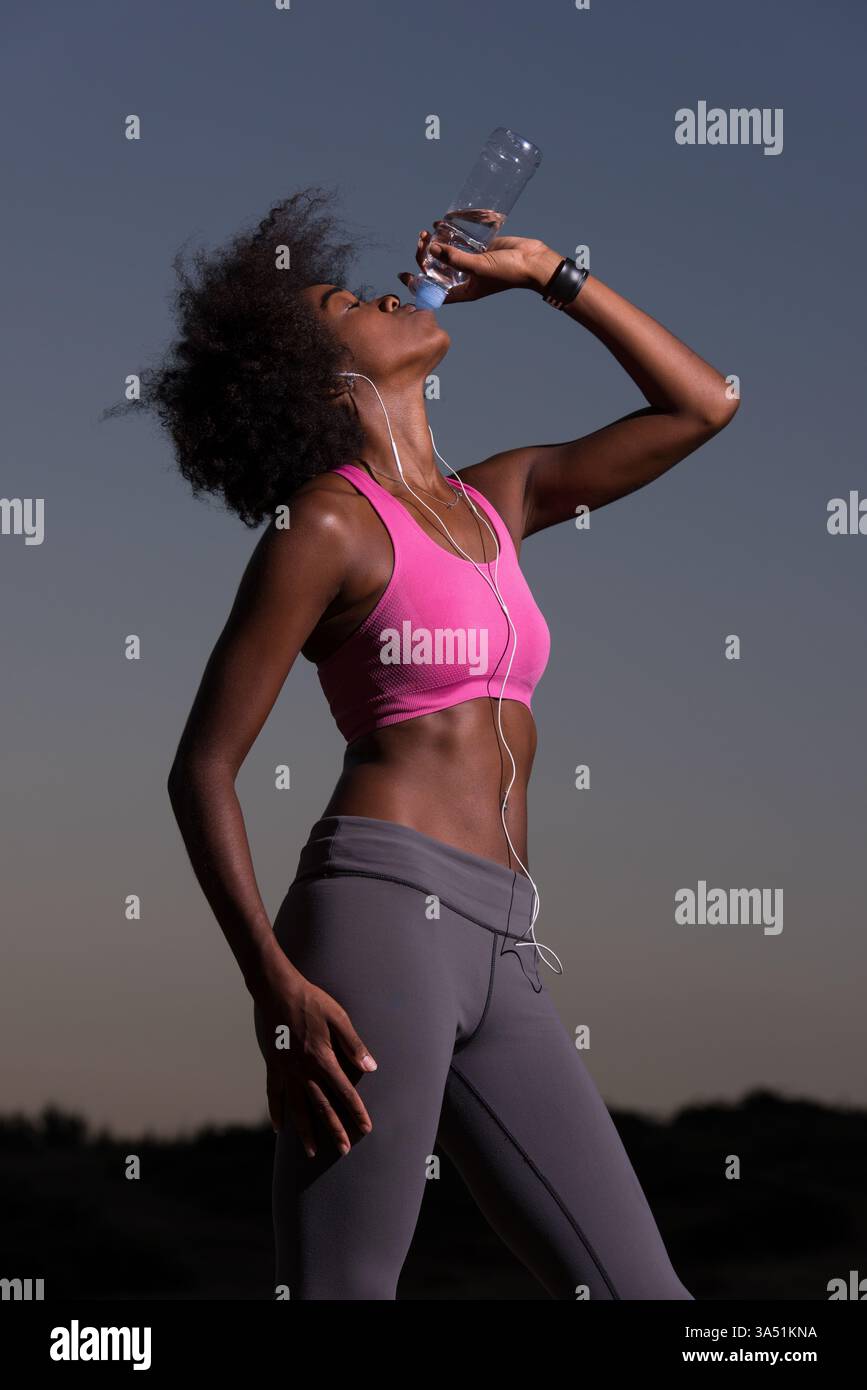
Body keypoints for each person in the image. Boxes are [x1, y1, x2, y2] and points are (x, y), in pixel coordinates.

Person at [151, 186, 737, 1299]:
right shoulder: (327, 522)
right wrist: (270, 983)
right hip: (379, 917)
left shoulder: (494, 499)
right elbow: (203, 766)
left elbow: (701, 406)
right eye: (346, 303)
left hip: (507, 940)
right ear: (321, 378)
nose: (386, 289)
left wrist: (551, 275)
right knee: (347, 1288)